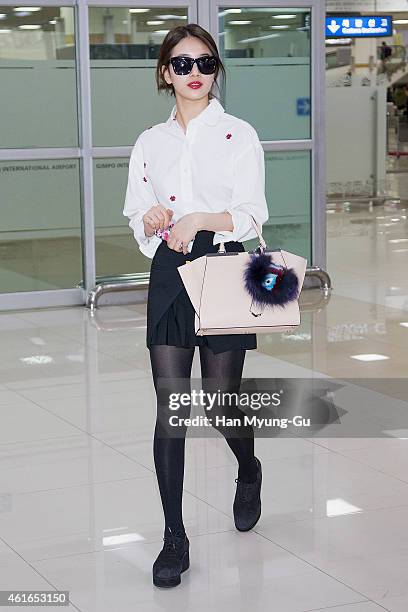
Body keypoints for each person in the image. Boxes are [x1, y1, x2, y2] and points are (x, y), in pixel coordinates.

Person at [123, 23, 269, 589]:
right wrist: (153, 220)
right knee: (171, 409)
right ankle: (173, 537)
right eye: (181, 64)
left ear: (216, 70)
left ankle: (249, 470)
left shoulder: (238, 134)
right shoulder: (149, 143)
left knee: (219, 403)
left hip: (225, 267)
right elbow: (138, 212)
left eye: (205, 63)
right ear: (166, 73)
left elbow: (253, 213)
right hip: (170, 271)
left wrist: (198, 219)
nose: (194, 74)